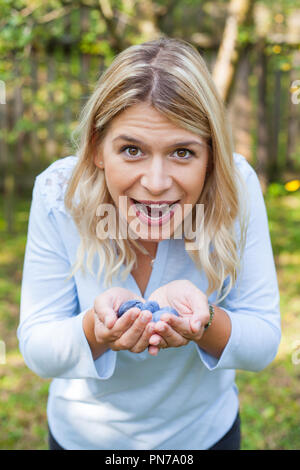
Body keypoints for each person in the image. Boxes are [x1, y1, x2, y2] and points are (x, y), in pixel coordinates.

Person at [18, 37, 281, 450]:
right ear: (97, 149)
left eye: (182, 152)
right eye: (132, 150)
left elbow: (263, 339)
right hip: (85, 439)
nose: (156, 184)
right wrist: (97, 329)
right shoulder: (58, 193)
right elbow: (36, 347)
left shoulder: (237, 187)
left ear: (211, 156)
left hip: (201, 437)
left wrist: (204, 322)